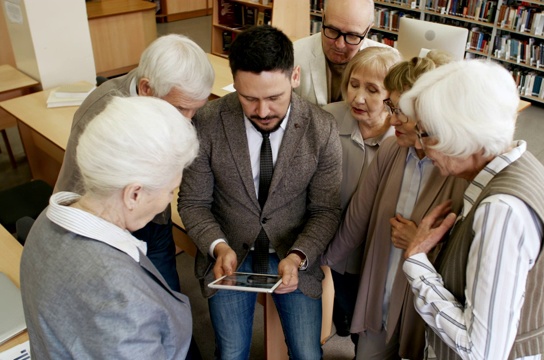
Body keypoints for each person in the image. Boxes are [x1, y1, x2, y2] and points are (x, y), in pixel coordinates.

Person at [177, 25, 342, 360]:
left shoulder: (321, 129)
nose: (263, 111)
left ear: (295, 76)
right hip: (228, 251)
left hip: (293, 251)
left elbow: (325, 210)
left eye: (274, 98)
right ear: (234, 82)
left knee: (307, 353)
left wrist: (298, 257)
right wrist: (218, 246)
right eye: (249, 98)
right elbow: (193, 203)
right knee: (232, 352)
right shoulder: (207, 122)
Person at [401, 60, 544, 360]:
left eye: (426, 134)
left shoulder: (502, 212)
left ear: (467, 137)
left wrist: (417, 263)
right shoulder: (531, 171)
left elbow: (480, 349)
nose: (420, 146)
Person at [21, 96, 199, 358]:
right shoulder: (122, 300)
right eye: (171, 190)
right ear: (134, 194)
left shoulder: (44, 222)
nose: (168, 200)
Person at [322, 51, 468, 359]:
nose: (393, 118)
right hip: (381, 290)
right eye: (393, 107)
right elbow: (355, 221)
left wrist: (419, 244)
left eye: (402, 110)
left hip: (425, 304)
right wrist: (315, 264)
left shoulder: (459, 172)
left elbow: (464, 255)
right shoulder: (392, 149)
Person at [54, 34, 214, 292]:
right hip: (108, 225)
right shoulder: (100, 115)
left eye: (195, 109)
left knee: (166, 293)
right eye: (181, 109)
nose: (188, 120)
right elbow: (76, 194)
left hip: (153, 215)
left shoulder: (169, 98)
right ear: (146, 89)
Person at [322, 46, 400, 342]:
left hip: (371, 258)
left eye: (372, 90)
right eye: (353, 84)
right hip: (327, 247)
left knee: (364, 328)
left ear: (392, 97)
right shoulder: (326, 118)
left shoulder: (401, 141)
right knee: (339, 304)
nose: (357, 98)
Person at [294, 0, 396, 106]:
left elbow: (394, 114)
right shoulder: (294, 55)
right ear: (323, 17)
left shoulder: (390, 63)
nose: (340, 44)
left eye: (352, 35)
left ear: (368, 30)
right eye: (333, 30)